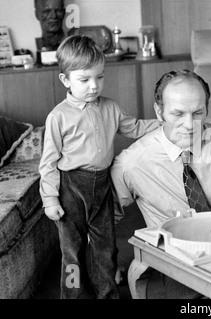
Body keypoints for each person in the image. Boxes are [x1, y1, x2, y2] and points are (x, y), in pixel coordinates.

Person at [111, 69, 211, 298]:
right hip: (172, 260)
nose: (189, 124)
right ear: (159, 112)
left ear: (207, 109)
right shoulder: (132, 162)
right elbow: (102, 219)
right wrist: (106, 263)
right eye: (177, 114)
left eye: (197, 113)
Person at [39, 34, 160, 299]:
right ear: (65, 80)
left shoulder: (111, 107)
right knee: (73, 249)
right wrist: (49, 198)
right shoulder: (58, 117)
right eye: (84, 80)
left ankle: (108, 293)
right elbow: (48, 162)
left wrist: (164, 123)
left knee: (105, 247)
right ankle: (74, 296)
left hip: (102, 185)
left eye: (100, 77)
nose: (94, 86)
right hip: (71, 187)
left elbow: (134, 127)